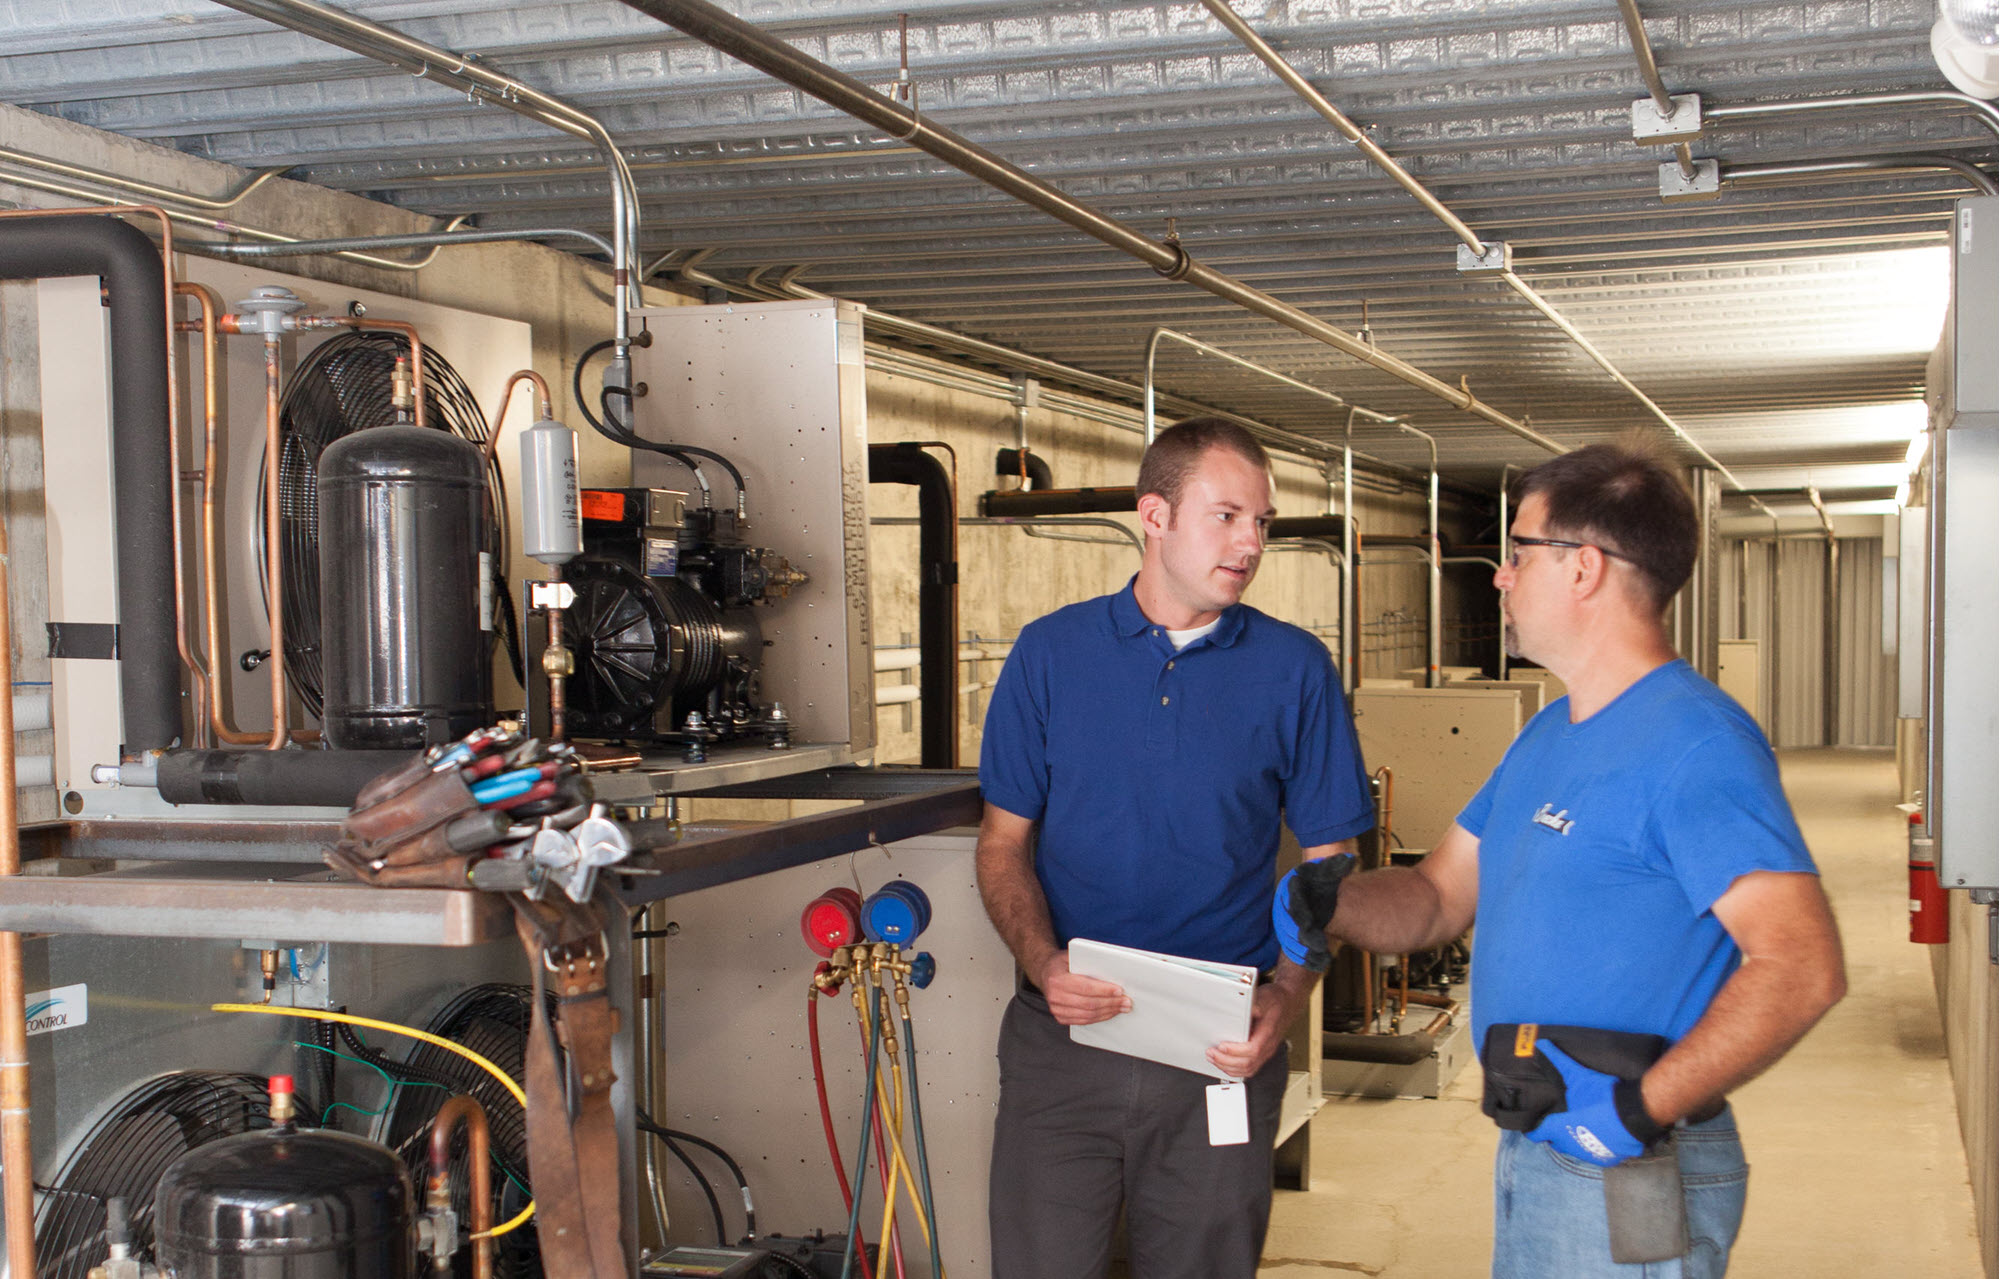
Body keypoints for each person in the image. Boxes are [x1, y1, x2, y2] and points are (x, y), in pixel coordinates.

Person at [1283, 440, 1846, 1278]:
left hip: (1630, 1157)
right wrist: (1322, 897)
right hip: (1541, 1144)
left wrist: (1631, 1112)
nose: (1501, 576)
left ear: (1584, 567)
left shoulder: (1698, 745)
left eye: (1517, 551)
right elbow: (1437, 898)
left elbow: (1802, 965)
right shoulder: (1548, 733)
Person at [975, 417, 1375, 1279]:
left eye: (1262, 522)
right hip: (1064, 1044)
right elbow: (1003, 843)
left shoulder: (1294, 669)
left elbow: (1328, 860)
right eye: (1227, 515)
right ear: (1153, 515)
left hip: (1218, 1045)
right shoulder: (1050, 654)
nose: (1251, 542)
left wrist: (1289, 993)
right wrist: (1045, 965)